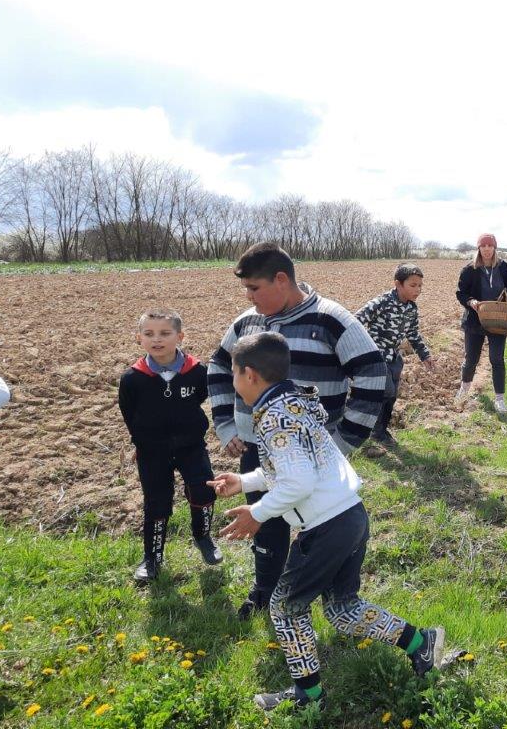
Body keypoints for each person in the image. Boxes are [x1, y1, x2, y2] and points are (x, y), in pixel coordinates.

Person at [208, 332, 448, 713]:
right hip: (349, 515)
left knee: (285, 608)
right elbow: (302, 468)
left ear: (249, 375)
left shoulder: (274, 417)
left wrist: (257, 512)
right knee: (340, 607)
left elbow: (298, 481)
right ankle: (421, 643)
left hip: (325, 527)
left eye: (233, 375)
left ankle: (309, 698)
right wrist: (246, 482)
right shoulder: (295, 403)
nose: (233, 383)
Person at [209, 242, 387, 620]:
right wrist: (226, 425)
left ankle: (330, 598)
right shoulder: (246, 324)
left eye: (254, 288)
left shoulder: (331, 320)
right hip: (258, 442)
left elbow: (373, 373)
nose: (249, 298)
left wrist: (345, 441)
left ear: (281, 279)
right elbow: (219, 367)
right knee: (268, 519)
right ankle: (266, 590)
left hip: (314, 451)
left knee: (316, 521)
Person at [119, 309, 222, 582]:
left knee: (203, 490)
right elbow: (129, 413)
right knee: (157, 502)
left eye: (165, 333)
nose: (157, 340)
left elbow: (203, 398)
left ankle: (203, 538)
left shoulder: (197, 372)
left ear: (180, 336)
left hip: (191, 446)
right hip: (152, 451)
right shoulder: (132, 378)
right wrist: (141, 440)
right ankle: (152, 557)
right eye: (149, 334)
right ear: (139, 338)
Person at [355, 263, 434, 446]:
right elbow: (356, 321)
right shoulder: (381, 303)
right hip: (375, 356)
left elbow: (413, 334)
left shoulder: (411, 309)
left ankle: (380, 430)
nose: (418, 290)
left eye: (420, 285)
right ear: (398, 284)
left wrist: (425, 355)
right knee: (386, 392)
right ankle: (374, 431)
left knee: (391, 396)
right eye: (413, 285)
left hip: (394, 357)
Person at [455, 233, 507, 414]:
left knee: (496, 359)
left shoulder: (503, 267)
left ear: (494, 248)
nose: (486, 249)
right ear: (478, 248)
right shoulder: (470, 269)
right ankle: (464, 390)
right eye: (483, 246)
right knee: (471, 359)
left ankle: (499, 399)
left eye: (490, 246)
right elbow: (461, 293)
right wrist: (471, 302)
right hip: (475, 320)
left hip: (499, 320)